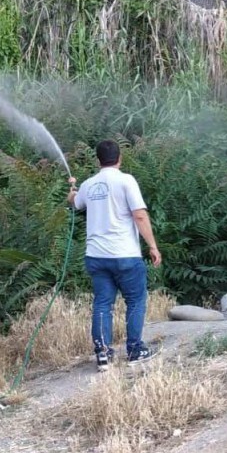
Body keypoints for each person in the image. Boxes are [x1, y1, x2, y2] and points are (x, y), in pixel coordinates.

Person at [67, 140, 162, 370]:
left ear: (98, 160)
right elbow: (139, 216)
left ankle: (103, 354)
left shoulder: (89, 185)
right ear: (119, 158)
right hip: (125, 255)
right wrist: (152, 246)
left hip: (96, 257)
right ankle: (135, 350)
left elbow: (74, 204)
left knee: (102, 304)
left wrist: (72, 192)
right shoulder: (126, 181)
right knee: (135, 300)